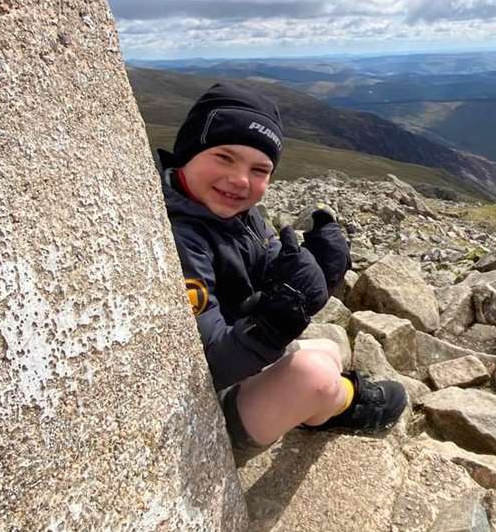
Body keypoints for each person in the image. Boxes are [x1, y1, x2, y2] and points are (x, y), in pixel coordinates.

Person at [159, 80, 407, 452]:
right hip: (195, 413)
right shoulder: (174, 234)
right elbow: (202, 366)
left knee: (327, 347)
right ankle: (343, 405)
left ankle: (317, 405)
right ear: (188, 152)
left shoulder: (241, 216)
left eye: (260, 169)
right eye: (224, 157)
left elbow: (278, 278)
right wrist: (273, 325)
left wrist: (322, 272)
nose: (240, 180)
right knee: (314, 373)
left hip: (237, 360)